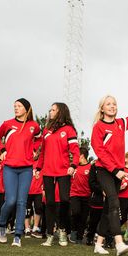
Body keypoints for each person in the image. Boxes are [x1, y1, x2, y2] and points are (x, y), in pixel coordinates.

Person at [90, 85, 128, 256]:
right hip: (105, 171)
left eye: (114, 104)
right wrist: (116, 170)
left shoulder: (121, 123)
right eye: (108, 104)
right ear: (102, 108)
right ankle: (119, 243)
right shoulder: (98, 127)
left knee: (109, 208)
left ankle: (98, 244)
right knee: (114, 203)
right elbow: (99, 150)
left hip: (117, 172)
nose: (112, 106)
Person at [0, 98, 41, 246]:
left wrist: (34, 151)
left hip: (26, 168)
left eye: (19, 106)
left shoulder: (34, 125)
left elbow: (40, 140)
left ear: (26, 109)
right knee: (11, 200)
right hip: (9, 168)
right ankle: (1, 225)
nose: (16, 108)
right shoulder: (7, 124)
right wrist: (2, 149)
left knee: (22, 202)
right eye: (14, 106)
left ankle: (18, 236)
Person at [35, 102, 80, 247]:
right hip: (48, 171)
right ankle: (49, 234)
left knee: (65, 201)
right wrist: (38, 167)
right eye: (50, 109)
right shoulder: (46, 130)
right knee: (49, 203)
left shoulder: (69, 130)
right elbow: (43, 152)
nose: (50, 111)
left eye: (53, 109)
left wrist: (74, 165)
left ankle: (62, 230)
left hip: (63, 171)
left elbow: (75, 150)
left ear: (60, 112)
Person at [69, 148, 91, 244]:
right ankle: (73, 230)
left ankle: (79, 237)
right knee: (76, 212)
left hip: (86, 196)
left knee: (83, 217)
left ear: (81, 156)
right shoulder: (73, 167)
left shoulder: (91, 167)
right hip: (74, 194)